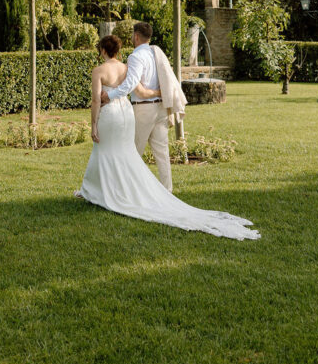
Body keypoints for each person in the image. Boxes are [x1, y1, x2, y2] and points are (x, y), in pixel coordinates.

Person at [76, 33, 260, 241]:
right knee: (124, 152)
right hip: (126, 114)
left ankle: (105, 191)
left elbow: (95, 100)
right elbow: (138, 90)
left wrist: (93, 124)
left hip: (110, 115)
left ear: (102, 50)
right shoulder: (126, 68)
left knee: (105, 149)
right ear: (117, 50)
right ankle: (94, 188)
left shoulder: (98, 71)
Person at [101, 21, 172, 190]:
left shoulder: (135, 56)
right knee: (162, 153)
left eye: (133, 35)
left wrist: (109, 95)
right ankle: (167, 190)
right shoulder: (156, 53)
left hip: (144, 109)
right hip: (161, 107)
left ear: (137, 36)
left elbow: (130, 83)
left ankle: (127, 190)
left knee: (133, 151)